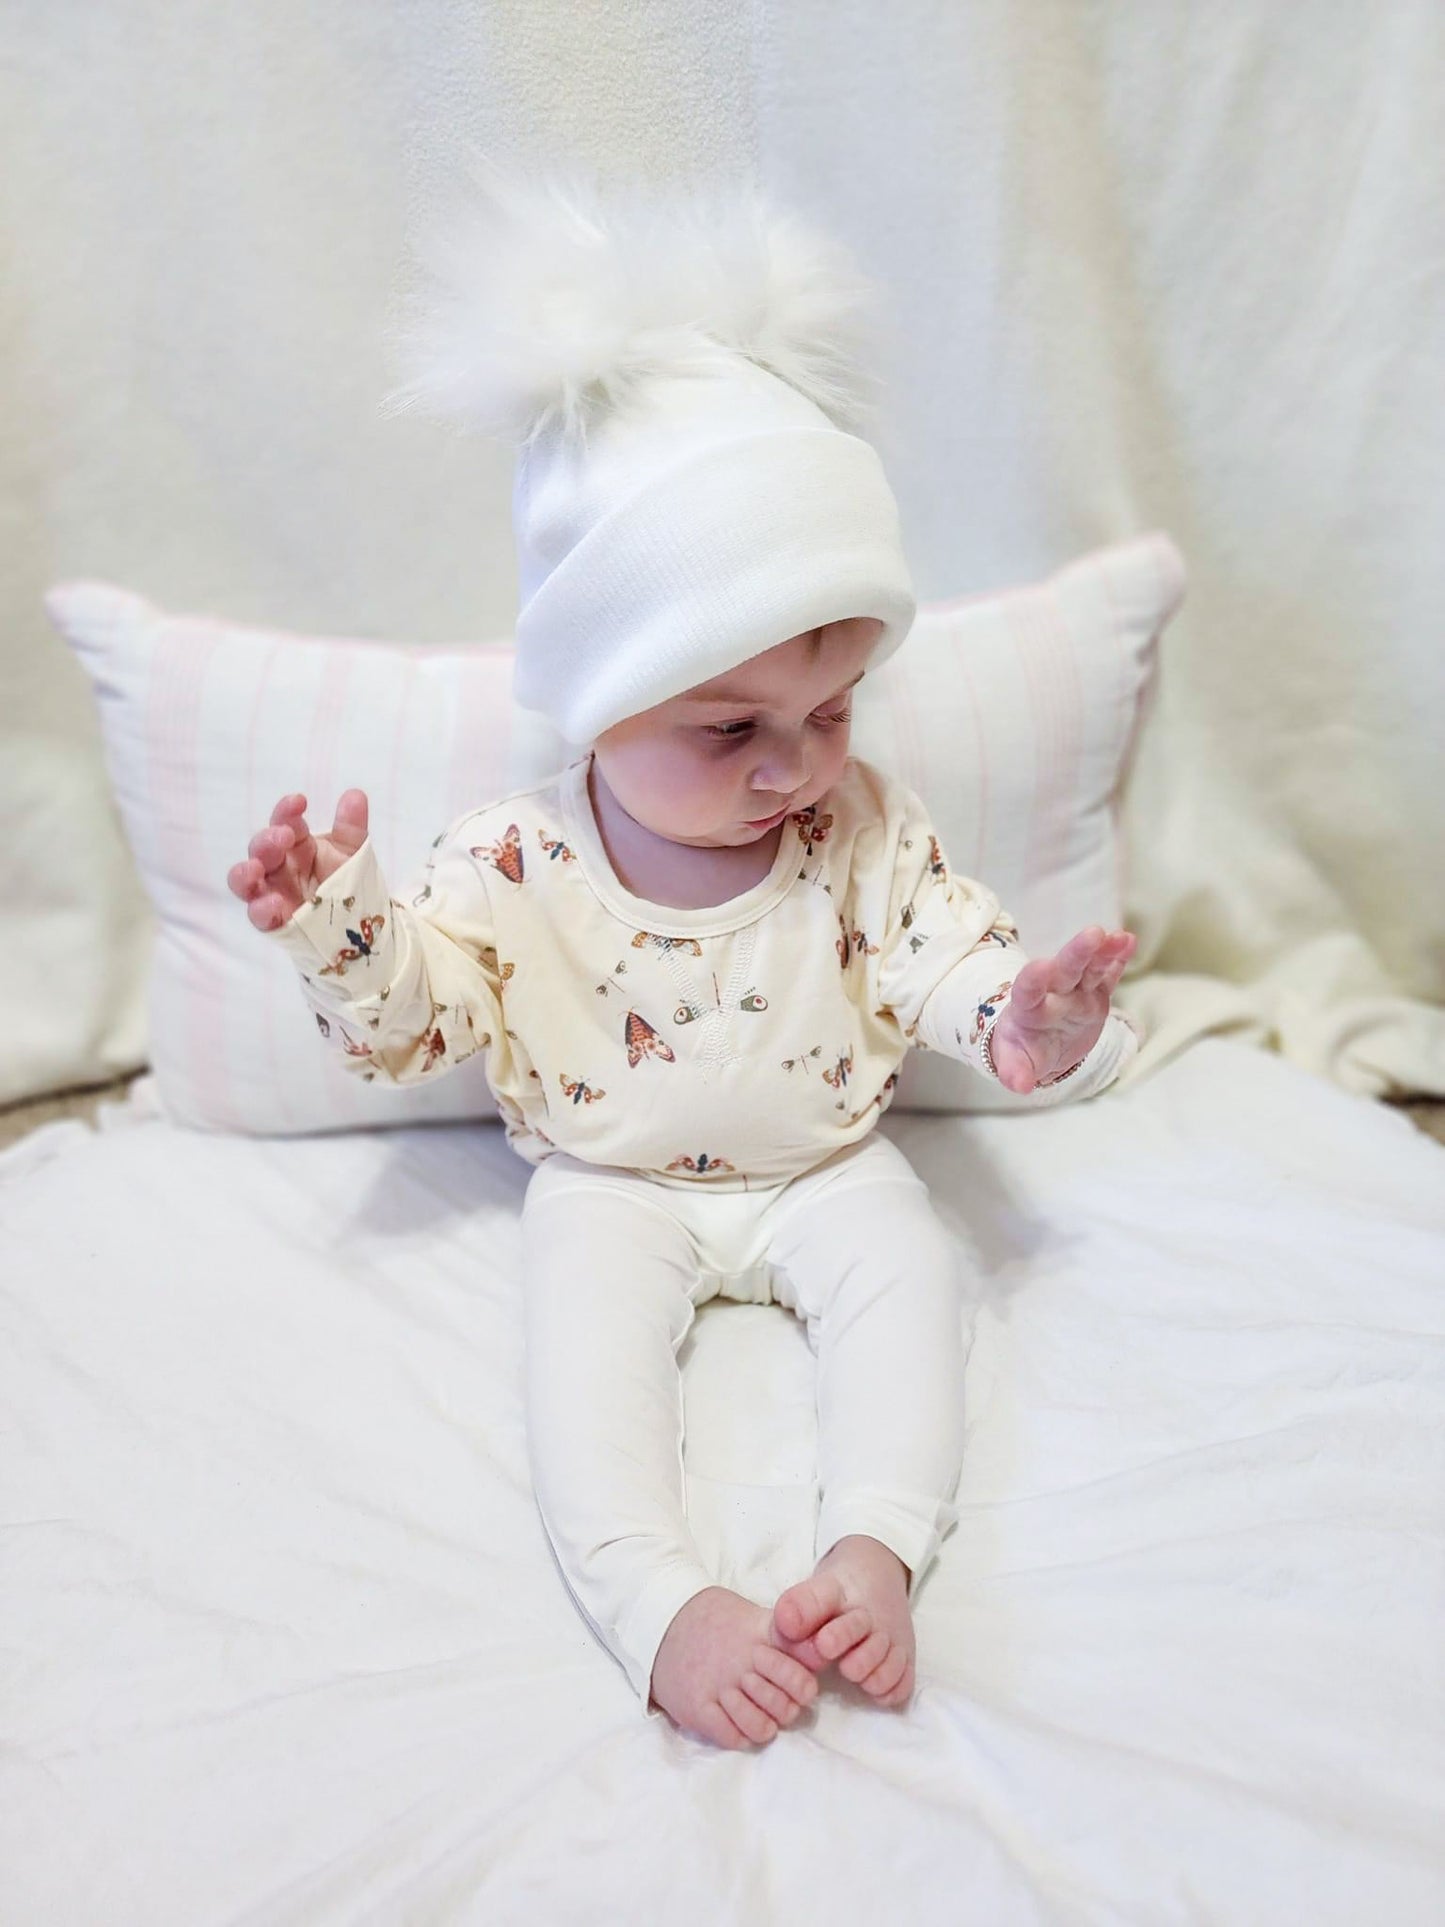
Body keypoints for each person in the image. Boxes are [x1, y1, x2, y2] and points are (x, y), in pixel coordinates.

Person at [226, 165, 1140, 1752]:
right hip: (609, 1179)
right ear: (599, 702)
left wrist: (1028, 1018)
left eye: (831, 709)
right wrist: (341, 921)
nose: (794, 768)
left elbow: (943, 957)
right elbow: (410, 1026)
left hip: (824, 1161)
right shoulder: (515, 860)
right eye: (729, 731)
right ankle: (657, 1598)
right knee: (578, 1370)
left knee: (913, 1284)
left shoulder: (857, 827)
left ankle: (878, 1542)